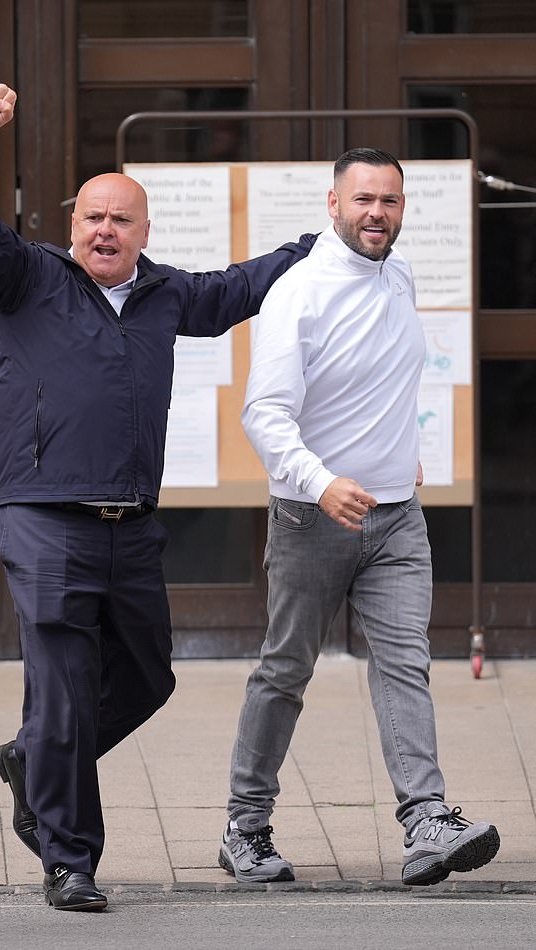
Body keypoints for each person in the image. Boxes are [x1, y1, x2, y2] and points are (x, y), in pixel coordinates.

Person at [0, 82, 318, 912]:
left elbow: (237, 288)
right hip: (44, 518)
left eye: (121, 220)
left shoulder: (164, 293)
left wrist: (318, 247)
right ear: (72, 225)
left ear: (145, 233)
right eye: (93, 218)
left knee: (148, 678)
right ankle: (70, 861)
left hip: (131, 525)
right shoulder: (28, 277)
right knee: (66, 689)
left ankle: (33, 760)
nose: (105, 230)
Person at [218, 147, 500, 888]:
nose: (377, 213)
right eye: (364, 199)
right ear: (333, 205)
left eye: (390, 201)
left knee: (405, 662)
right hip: (313, 519)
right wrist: (322, 483)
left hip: (397, 517)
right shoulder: (297, 293)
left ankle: (427, 822)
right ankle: (245, 826)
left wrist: (402, 453)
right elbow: (264, 414)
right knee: (286, 670)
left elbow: (383, 378)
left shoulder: (399, 275)